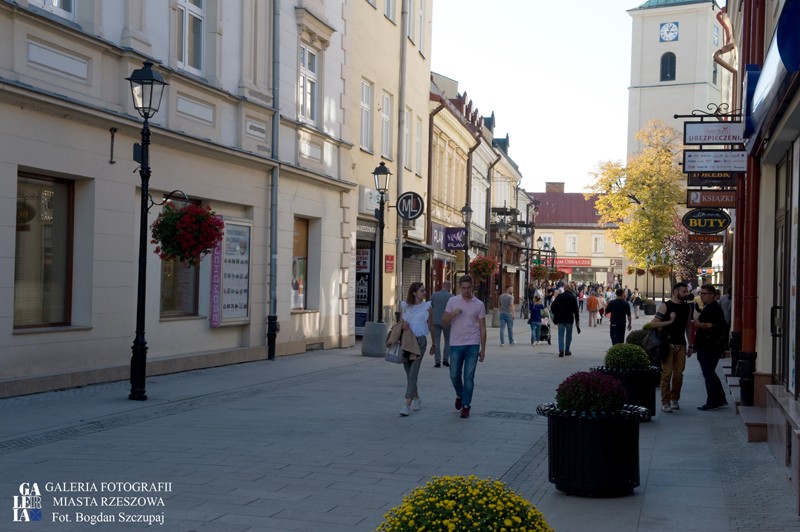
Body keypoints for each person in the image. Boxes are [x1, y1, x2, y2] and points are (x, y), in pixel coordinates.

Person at [442, 275, 487, 419]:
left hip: (472, 345)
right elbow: (444, 321)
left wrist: (483, 348)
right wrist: (453, 313)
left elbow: (482, 328)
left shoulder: (479, 304)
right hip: (456, 344)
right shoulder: (452, 301)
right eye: (463, 288)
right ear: (459, 287)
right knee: (454, 374)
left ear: (472, 287)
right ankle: (460, 395)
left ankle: (466, 405)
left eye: (468, 288)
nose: (466, 291)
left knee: (468, 376)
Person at [649, 282, 693, 413]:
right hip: (667, 345)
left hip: (681, 345)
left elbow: (688, 327)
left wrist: (690, 345)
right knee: (666, 375)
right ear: (675, 292)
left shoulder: (687, 307)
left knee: (679, 375)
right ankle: (665, 402)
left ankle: (675, 399)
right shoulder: (665, 306)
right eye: (683, 292)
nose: (686, 294)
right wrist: (670, 321)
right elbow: (653, 324)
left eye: (686, 292)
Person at [398, 282, 433, 416]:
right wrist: (402, 326)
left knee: (413, 372)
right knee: (408, 372)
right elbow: (400, 323)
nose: (424, 293)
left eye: (424, 290)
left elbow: (432, 326)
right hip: (406, 341)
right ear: (414, 293)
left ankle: (407, 404)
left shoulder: (428, 306)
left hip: (420, 341)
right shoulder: (405, 306)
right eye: (421, 291)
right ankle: (417, 398)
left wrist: (434, 344)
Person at [693, 284, 729, 411]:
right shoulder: (709, 307)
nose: (701, 296)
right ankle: (720, 399)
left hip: (710, 346)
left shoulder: (713, 308)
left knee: (708, 374)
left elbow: (709, 325)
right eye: (700, 293)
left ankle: (713, 402)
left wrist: (697, 324)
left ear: (712, 295)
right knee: (710, 373)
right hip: (709, 345)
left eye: (704, 293)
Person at [550, 285, 581, 357]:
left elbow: (552, 307)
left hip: (560, 319)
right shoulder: (573, 297)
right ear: (570, 289)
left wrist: (556, 314)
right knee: (568, 335)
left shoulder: (559, 296)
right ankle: (567, 350)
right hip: (569, 319)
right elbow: (576, 310)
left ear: (564, 289)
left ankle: (561, 349)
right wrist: (577, 320)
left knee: (560, 334)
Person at [430, 280, 453, 368]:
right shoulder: (451, 296)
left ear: (442, 285)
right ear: (449, 286)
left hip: (436, 321)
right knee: (447, 340)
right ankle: (445, 360)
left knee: (437, 341)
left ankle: (437, 361)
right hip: (447, 322)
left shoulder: (434, 295)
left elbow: (432, 306)